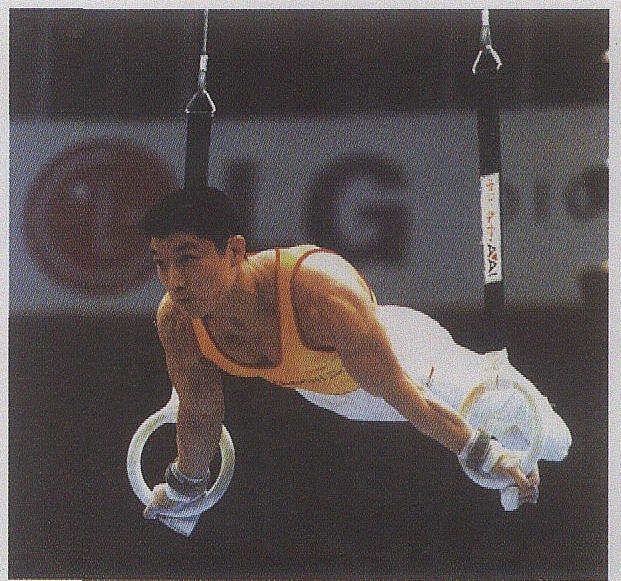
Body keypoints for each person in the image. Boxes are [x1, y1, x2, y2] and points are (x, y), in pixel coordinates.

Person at [139, 186, 571, 520]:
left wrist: (480, 454)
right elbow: (199, 410)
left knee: (553, 443)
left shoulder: (319, 292)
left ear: (234, 251)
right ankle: (503, 434)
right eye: (160, 263)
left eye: (188, 258)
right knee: (496, 439)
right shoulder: (177, 319)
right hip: (341, 397)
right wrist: (186, 487)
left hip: (410, 360)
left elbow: (402, 393)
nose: (173, 281)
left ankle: (506, 404)